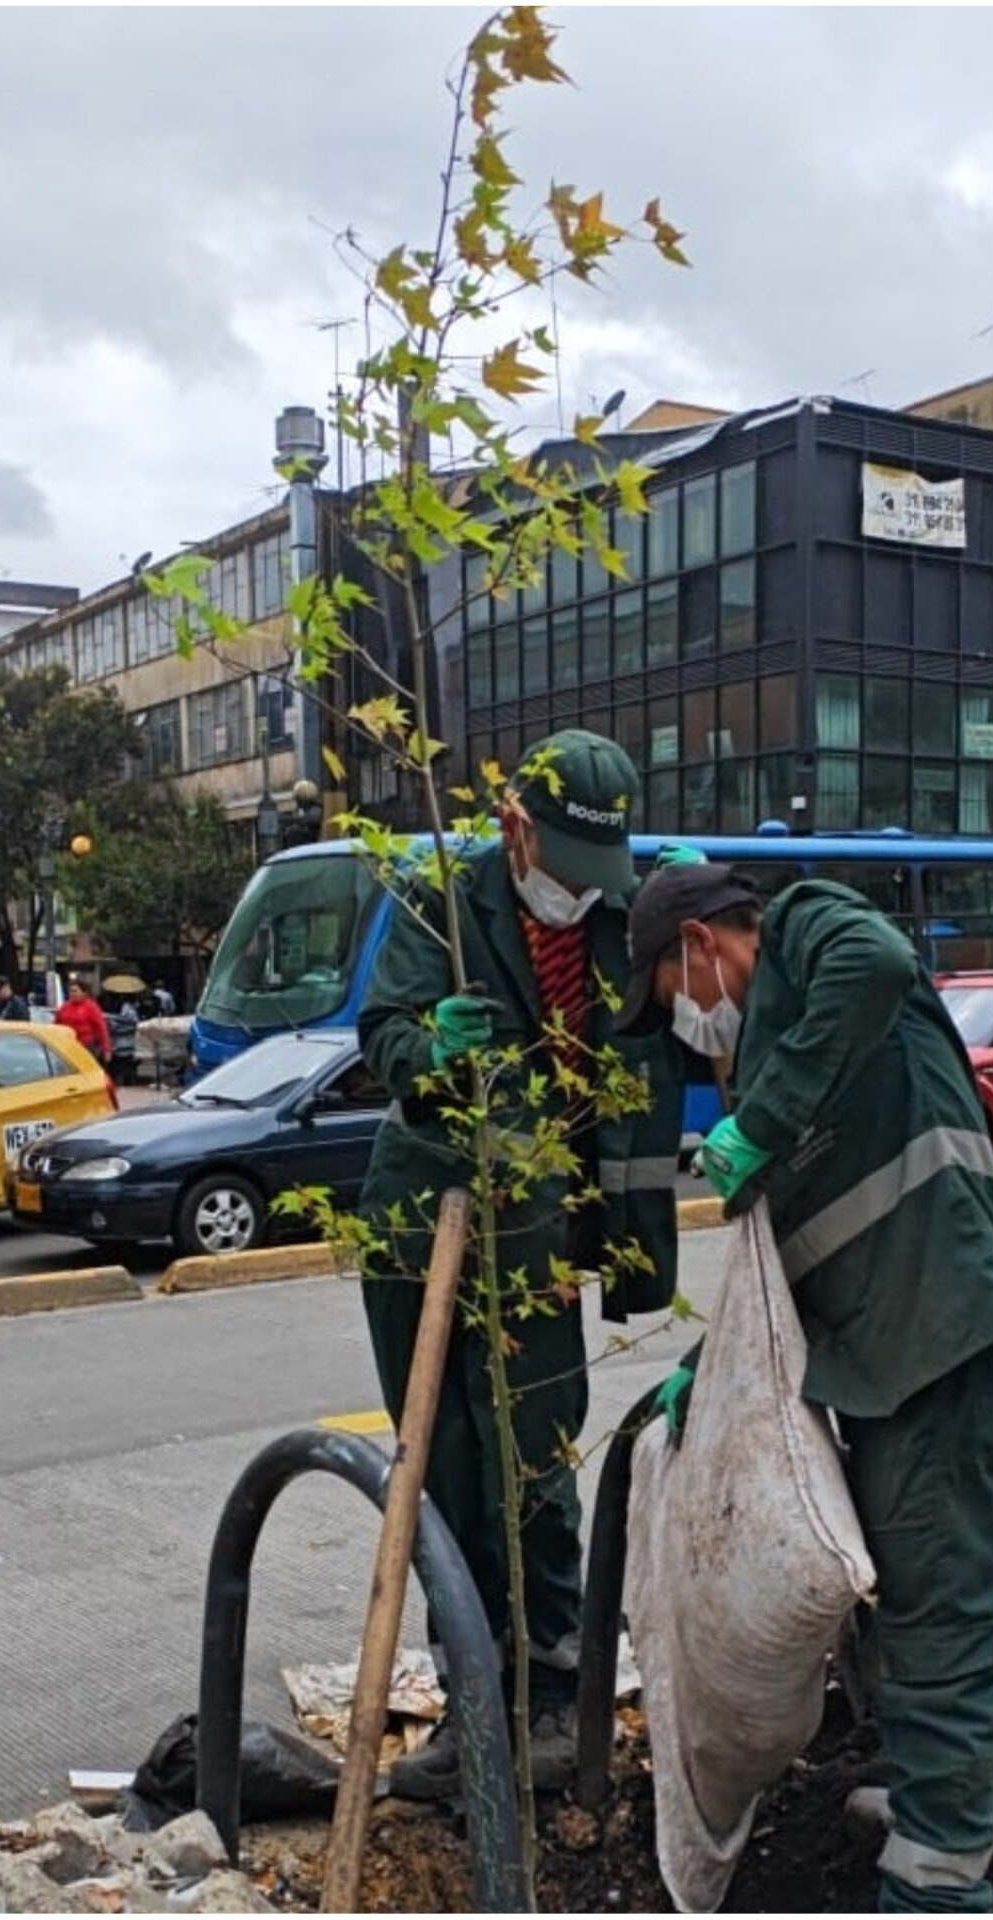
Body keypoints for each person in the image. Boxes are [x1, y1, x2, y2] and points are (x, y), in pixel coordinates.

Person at [616, 858, 993, 1913]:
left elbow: (878, 962)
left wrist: (762, 1123)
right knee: (913, 1615)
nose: (685, 1026)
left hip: (945, 1347)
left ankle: (938, 1879)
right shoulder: (771, 1059)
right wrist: (705, 1372)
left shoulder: (807, 931)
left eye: (671, 994)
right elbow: (785, 1281)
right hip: (889, 1368)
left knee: (935, 1625)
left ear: (699, 944)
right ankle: (969, 1806)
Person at [353, 728, 686, 1800]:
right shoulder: (442, 902)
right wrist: (430, 1051)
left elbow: (677, 1033)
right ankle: (472, 1697)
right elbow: (381, 1033)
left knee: (537, 1464)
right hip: (428, 1218)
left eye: (598, 875)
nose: (576, 895)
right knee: (446, 1465)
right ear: (514, 828)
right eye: (563, 867)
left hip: (540, 1230)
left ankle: (550, 1692)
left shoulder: (619, 916)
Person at [56, 976, 112, 1070]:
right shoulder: (64, 1007)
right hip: (67, 1047)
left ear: (84, 993)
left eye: (75, 991)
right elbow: (56, 1025)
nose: (72, 994)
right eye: (70, 991)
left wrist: (106, 1050)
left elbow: (102, 1029)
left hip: (86, 1048)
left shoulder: (91, 1007)